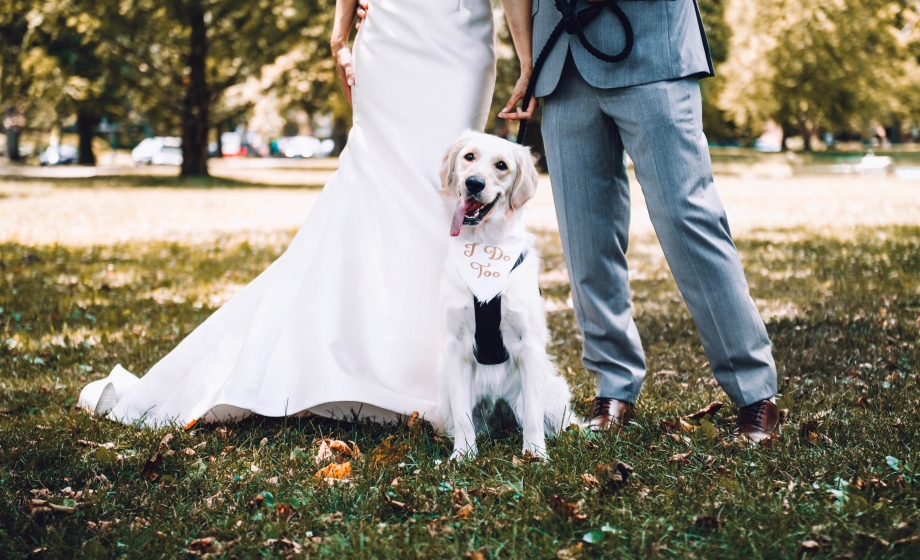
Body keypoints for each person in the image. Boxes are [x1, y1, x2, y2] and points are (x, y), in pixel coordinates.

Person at [79, 0, 502, 426]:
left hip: (460, 38)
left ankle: (439, 367)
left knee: (441, 197)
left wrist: (527, 58)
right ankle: (365, 363)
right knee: (378, 186)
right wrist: (339, 36)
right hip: (391, 33)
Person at [500, 0, 780, 441]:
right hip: (561, 61)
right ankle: (613, 384)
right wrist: (528, 61)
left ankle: (754, 391)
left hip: (651, 46)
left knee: (687, 220)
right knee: (584, 236)